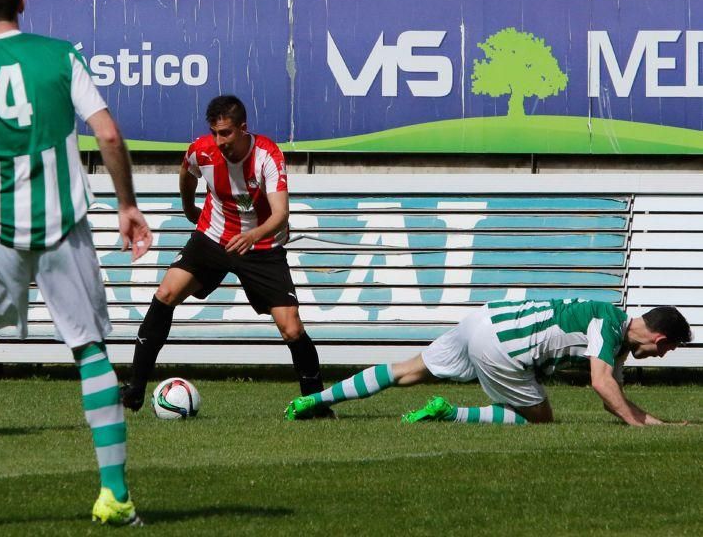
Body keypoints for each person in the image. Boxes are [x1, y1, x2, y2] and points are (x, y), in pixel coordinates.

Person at [0, 0, 151, 526]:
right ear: (23, 3)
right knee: (90, 349)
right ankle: (115, 493)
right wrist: (127, 205)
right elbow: (106, 132)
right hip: (64, 221)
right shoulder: (61, 55)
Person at [119, 95, 330, 417]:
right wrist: (189, 206)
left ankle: (315, 404)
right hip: (213, 238)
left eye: (227, 133)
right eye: (215, 133)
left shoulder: (267, 156)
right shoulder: (202, 150)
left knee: (291, 328)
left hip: (260, 247)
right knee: (165, 294)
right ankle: (134, 389)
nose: (220, 141)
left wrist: (252, 236)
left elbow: (281, 214)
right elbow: (186, 170)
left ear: (243, 129)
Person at [285, 299, 692, 426]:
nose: (661, 356)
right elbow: (602, 386)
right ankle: (449, 413)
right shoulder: (611, 326)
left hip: (486, 317)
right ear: (659, 338)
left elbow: (612, 394)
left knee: (408, 369)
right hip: (504, 346)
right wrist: (638, 426)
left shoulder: (612, 327)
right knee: (541, 416)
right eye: (666, 349)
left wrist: (657, 423)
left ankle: (316, 399)